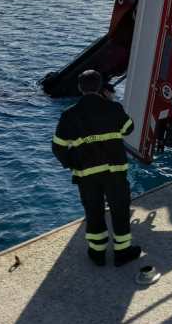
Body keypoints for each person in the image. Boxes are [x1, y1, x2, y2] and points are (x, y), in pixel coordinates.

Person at [52, 70, 141, 267]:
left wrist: (72, 164)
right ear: (101, 87)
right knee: (119, 210)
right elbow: (129, 128)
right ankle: (122, 251)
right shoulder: (113, 108)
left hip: (87, 175)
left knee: (93, 211)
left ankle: (97, 252)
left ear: (79, 88)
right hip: (114, 172)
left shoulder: (69, 115)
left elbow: (58, 147)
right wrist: (111, 101)